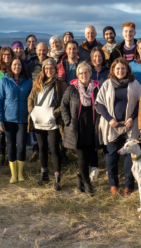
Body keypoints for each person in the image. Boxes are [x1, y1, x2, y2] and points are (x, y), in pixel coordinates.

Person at [96, 57, 141, 195]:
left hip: (130, 125)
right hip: (112, 125)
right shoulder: (107, 84)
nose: (120, 71)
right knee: (111, 154)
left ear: (127, 69)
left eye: (123, 68)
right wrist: (109, 119)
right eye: (117, 69)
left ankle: (129, 184)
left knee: (130, 155)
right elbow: (100, 103)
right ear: (113, 70)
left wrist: (132, 117)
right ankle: (113, 184)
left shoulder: (134, 83)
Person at [27, 58, 68, 191]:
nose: (49, 70)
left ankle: (57, 178)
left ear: (56, 69)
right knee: (42, 147)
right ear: (43, 70)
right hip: (38, 122)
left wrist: (54, 114)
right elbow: (30, 98)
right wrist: (32, 112)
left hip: (52, 122)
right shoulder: (38, 83)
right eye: (46, 68)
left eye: (52, 68)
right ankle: (44, 174)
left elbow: (64, 103)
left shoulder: (61, 84)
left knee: (54, 148)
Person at [61, 62, 100, 194]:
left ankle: (80, 177)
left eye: (86, 72)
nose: (84, 75)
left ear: (90, 73)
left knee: (88, 156)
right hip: (77, 128)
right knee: (82, 157)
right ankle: (87, 183)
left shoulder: (96, 88)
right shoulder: (72, 89)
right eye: (81, 73)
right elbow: (63, 105)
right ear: (77, 74)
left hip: (92, 127)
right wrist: (68, 122)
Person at [0, 56, 33, 183]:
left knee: (21, 146)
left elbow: (33, 99)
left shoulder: (28, 81)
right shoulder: (4, 81)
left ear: (22, 67)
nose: (17, 67)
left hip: (23, 119)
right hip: (8, 119)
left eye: (19, 64)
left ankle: (20, 173)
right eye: (15, 64)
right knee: (10, 146)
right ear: (10, 66)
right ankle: (13, 174)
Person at [26, 42, 49, 162]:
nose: (42, 53)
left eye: (44, 50)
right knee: (37, 128)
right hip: (36, 100)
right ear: (36, 51)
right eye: (40, 50)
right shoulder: (31, 66)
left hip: (49, 101)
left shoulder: (51, 64)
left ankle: (48, 150)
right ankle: (36, 151)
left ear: (47, 51)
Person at [0, 46, 14, 165]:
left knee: (11, 131)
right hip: (0, 103)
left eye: (9, 55)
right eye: (4, 55)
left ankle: (10, 153)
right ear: (1, 56)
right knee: (0, 131)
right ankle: (1, 155)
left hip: (11, 105)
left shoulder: (15, 68)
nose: (7, 57)